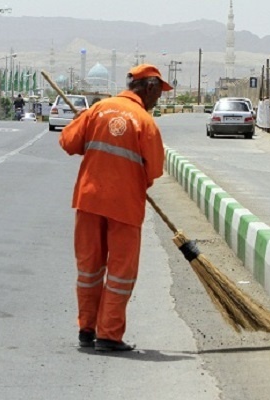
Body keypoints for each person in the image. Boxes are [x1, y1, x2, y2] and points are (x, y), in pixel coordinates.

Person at [58, 64, 173, 352]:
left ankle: (87, 329)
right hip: (125, 207)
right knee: (121, 273)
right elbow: (155, 170)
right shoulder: (145, 122)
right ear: (149, 88)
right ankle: (108, 334)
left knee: (89, 269)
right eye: (159, 93)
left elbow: (68, 142)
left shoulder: (98, 109)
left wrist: (88, 134)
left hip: (89, 201)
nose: (158, 99)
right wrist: (134, 179)